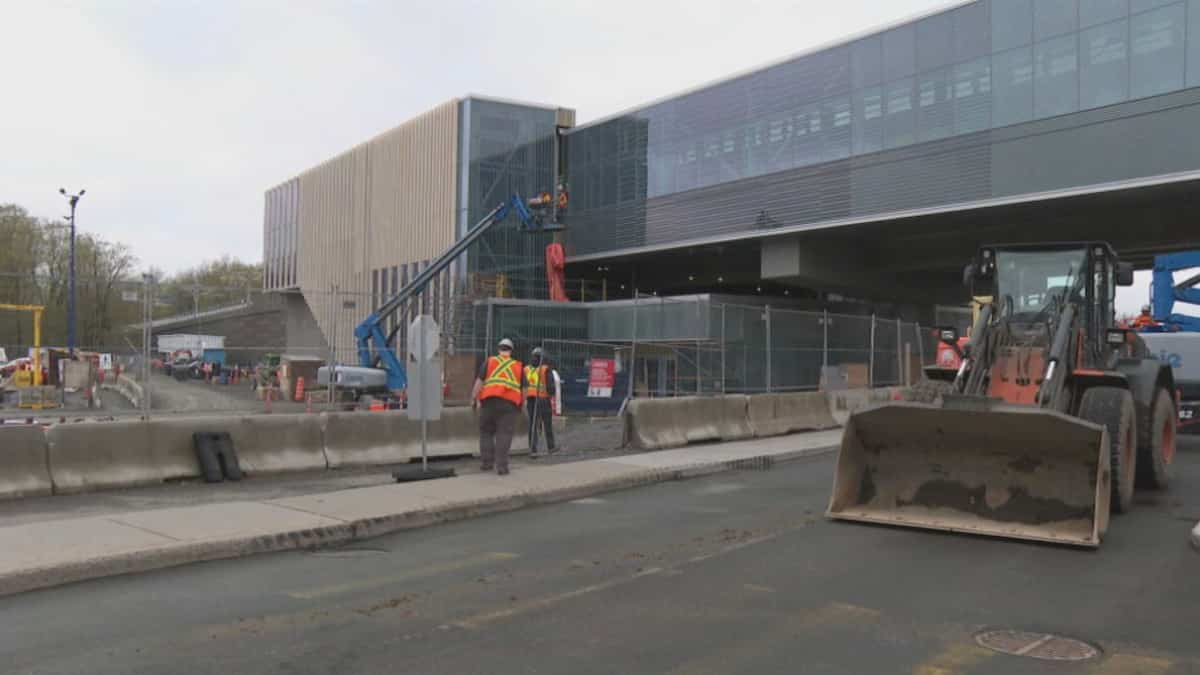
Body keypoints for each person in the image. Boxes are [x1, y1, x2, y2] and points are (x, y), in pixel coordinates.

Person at [471, 338, 525, 475]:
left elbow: (479, 382)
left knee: (486, 432)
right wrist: (520, 403)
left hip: (488, 402)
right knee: (504, 434)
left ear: (499, 349)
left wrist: (473, 399)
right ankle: (501, 467)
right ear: (511, 351)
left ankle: (486, 463)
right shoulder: (518, 366)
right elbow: (524, 389)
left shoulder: (490, 362)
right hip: (509, 405)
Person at [524, 347, 559, 457]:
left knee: (532, 425)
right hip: (543, 399)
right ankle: (551, 447)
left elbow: (523, 385)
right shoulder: (545, 369)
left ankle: (533, 449)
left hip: (530, 400)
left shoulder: (526, 369)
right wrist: (551, 394)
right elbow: (550, 387)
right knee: (547, 424)